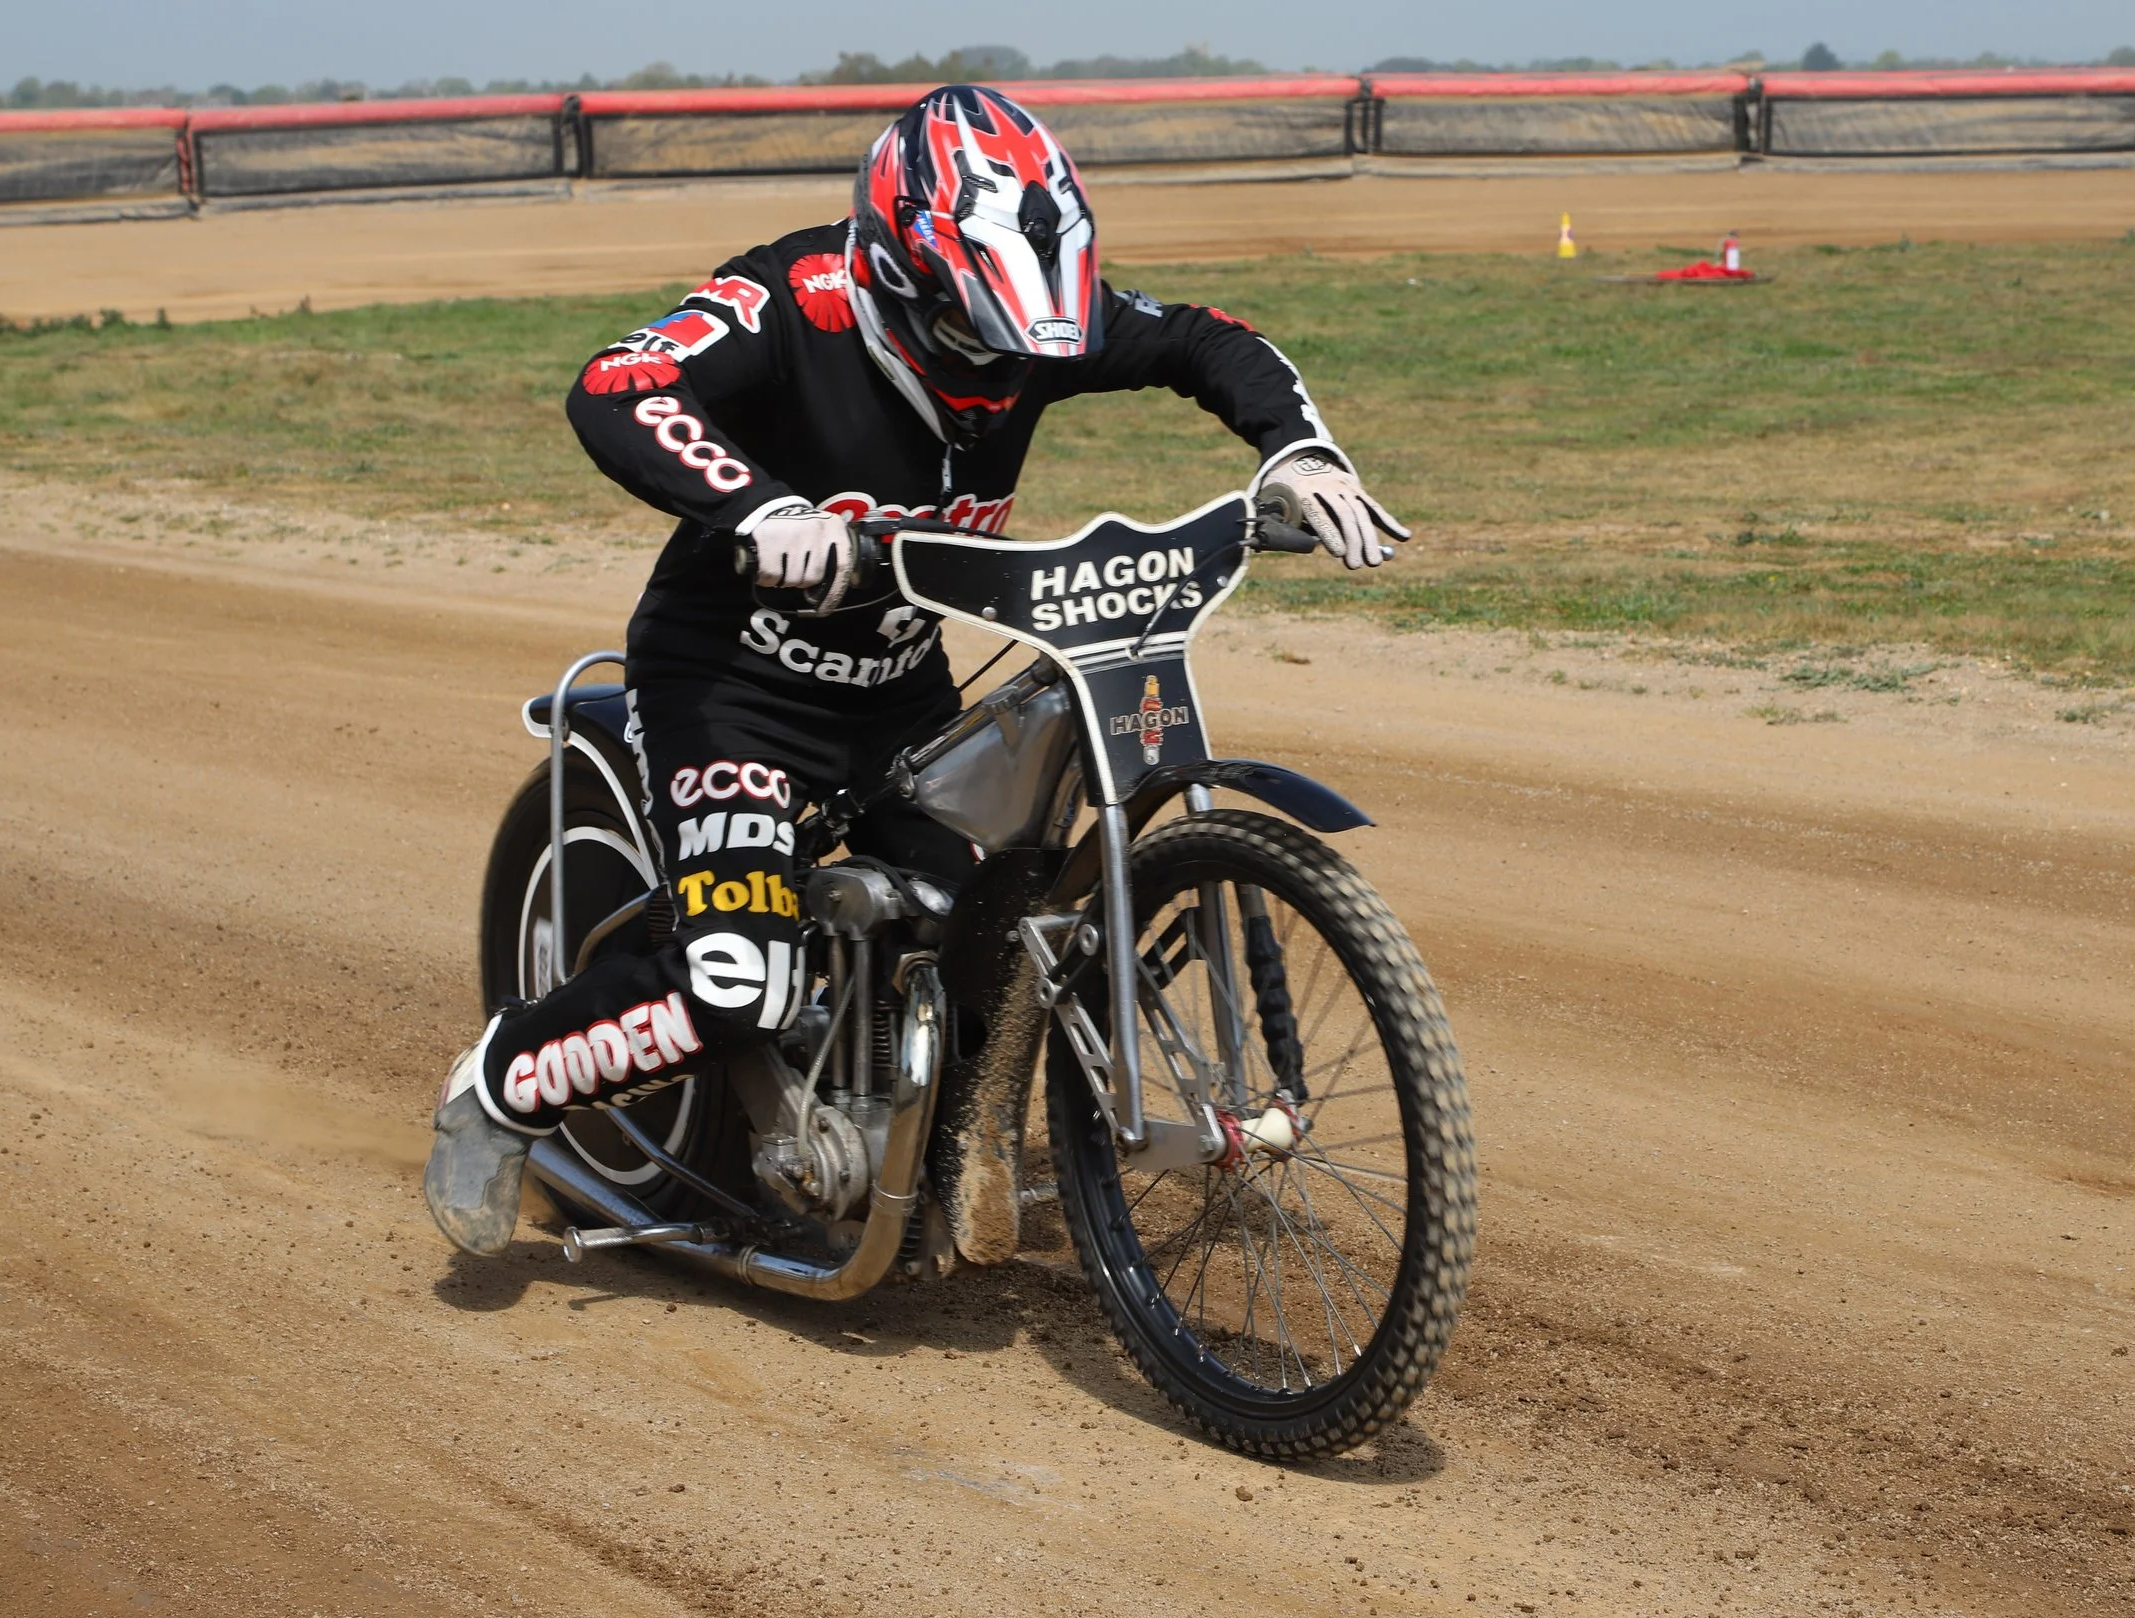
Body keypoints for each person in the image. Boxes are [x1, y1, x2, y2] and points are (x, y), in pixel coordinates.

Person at [424, 83, 1411, 1254]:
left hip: (899, 693)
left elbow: (1206, 338)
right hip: (731, 691)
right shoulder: (789, 299)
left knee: (993, 914)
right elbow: (619, 383)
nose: (999, 369)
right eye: (968, 332)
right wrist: (761, 508)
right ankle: (505, 1083)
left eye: (1023, 346)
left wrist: (1297, 450)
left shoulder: (1034, 317)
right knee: (739, 980)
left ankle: (933, 1147)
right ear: (902, 273)